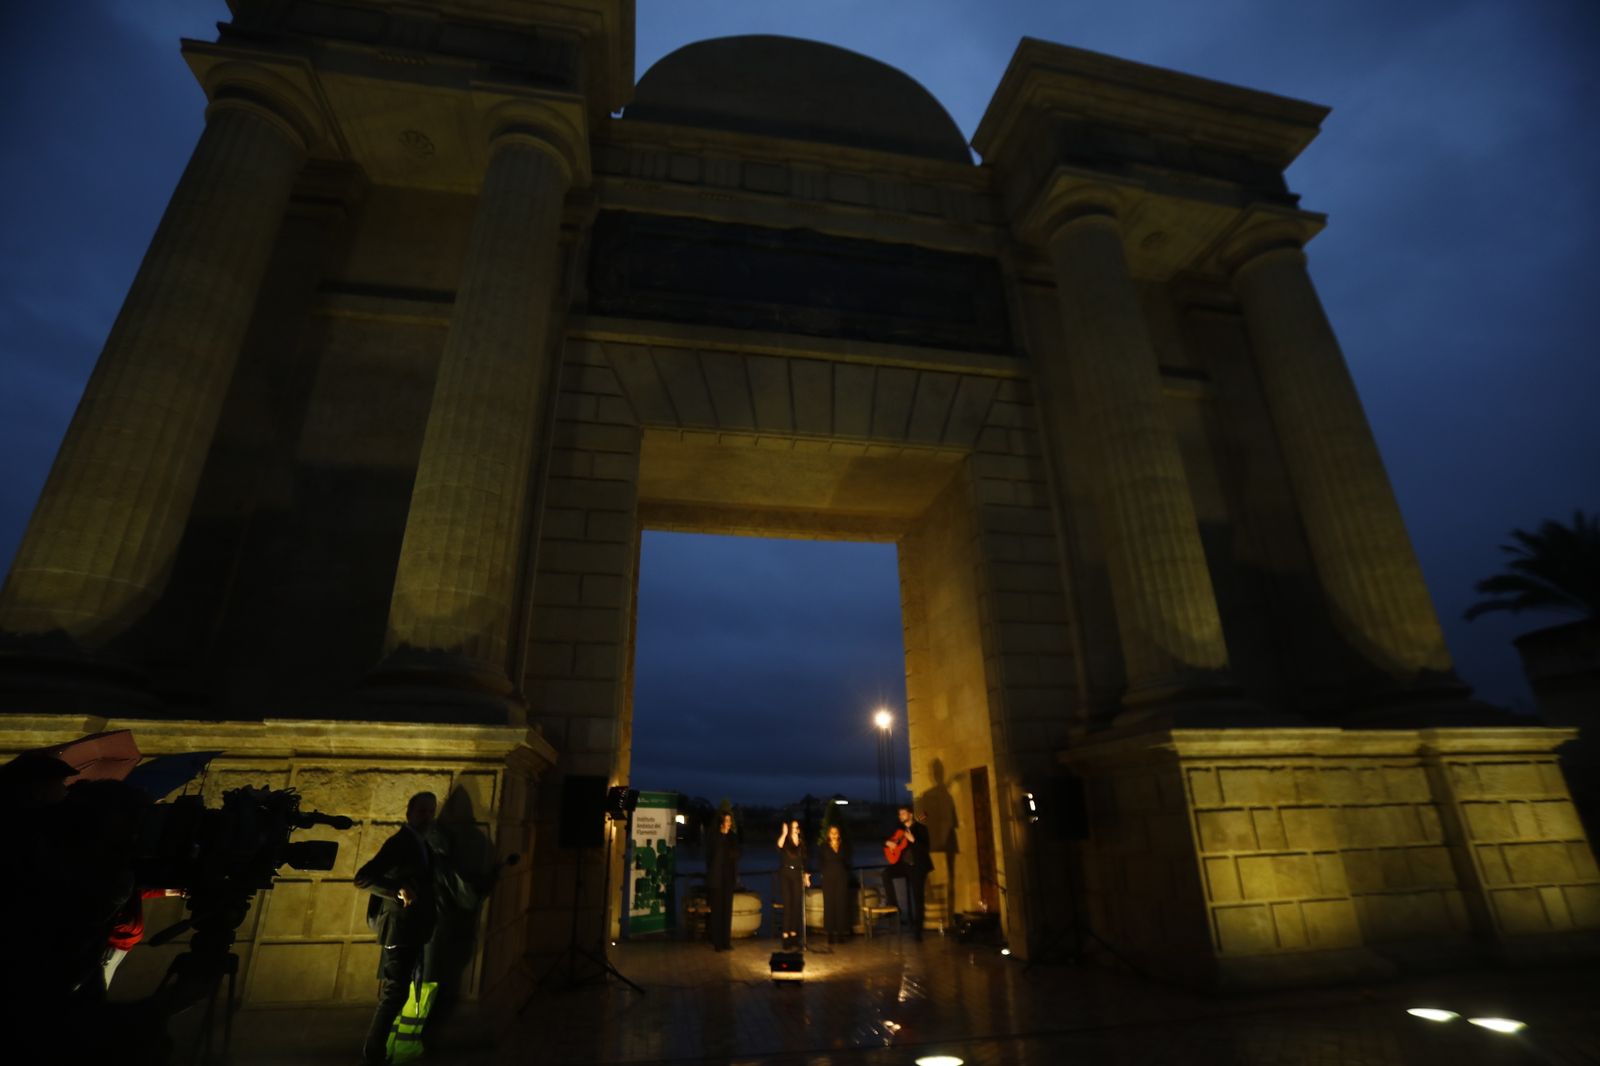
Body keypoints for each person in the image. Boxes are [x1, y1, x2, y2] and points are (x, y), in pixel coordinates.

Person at [355, 791, 438, 1065]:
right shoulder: (401, 842)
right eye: (422, 811)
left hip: (411, 930)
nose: (427, 817)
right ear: (409, 814)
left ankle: (376, 1052)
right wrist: (395, 890)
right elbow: (363, 877)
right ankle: (374, 1054)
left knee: (398, 992)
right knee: (394, 993)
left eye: (430, 811)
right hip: (399, 930)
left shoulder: (421, 844)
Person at [882, 804, 930, 939]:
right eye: (899, 814)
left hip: (917, 867)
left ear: (910, 815)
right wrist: (887, 843)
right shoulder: (900, 830)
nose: (900, 816)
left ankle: (917, 932)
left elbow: (926, 848)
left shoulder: (921, 828)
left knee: (917, 897)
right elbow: (885, 840)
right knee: (886, 873)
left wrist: (913, 840)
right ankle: (893, 903)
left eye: (903, 813)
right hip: (904, 866)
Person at [705, 811, 740, 952]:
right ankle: (717, 942)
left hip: (728, 877)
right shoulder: (714, 836)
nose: (728, 823)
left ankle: (726, 941)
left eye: (730, 820)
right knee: (717, 910)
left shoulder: (732, 836)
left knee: (727, 910)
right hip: (716, 878)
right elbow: (710, 856)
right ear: (721, 822)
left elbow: (737, 853)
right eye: (726, 820)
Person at [774, 818, 809, 951]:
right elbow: (778, 846)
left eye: (797, 827)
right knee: (788, 905)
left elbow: (805, 860)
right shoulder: (786, 842)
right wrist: (784, 833)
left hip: (797, 875)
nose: (795, 829)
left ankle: (794, 935)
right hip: (786, 874)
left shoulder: (801, 842)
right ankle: (785, 936)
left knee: (796, 905)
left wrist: (806, 875)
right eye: (793, 827)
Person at [816, 822, 851, 946]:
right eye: (832, 832)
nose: (834, 835)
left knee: (841, 904)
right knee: (829, 904)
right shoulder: (823, 847)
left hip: (841, 877)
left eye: (836, 832)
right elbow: (819, 861)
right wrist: (823, 872)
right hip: (828, 878)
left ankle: (841, 933)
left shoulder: (844, 846)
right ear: (828, 834)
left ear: (839, 833)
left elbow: (848, 860)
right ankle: (830, 933)